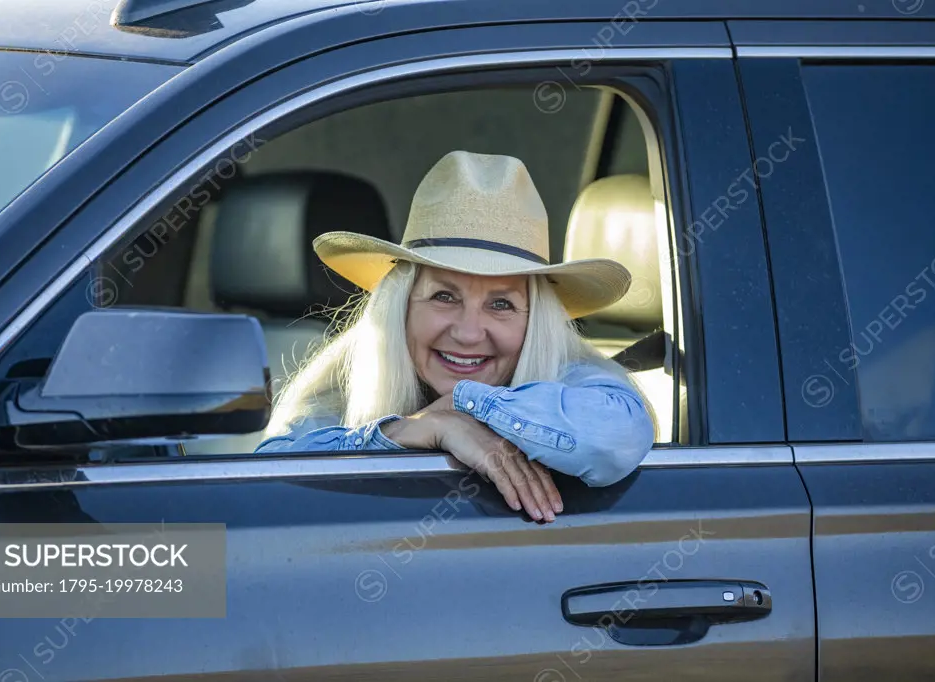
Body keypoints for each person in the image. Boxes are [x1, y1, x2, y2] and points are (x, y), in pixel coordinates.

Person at [255, 150, 655, 522]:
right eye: (443, 296)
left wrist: (464, 405)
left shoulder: (573, 374)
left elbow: (614, 438)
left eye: (501, 304)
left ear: (536, 321)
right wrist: (416, 428)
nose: (467, 333)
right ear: (402, 306)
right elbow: (266, 485)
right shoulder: (347, 382)